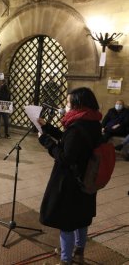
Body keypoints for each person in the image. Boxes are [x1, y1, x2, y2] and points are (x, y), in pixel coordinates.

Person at [37, 87, 102, 265]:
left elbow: (65, 157)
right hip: (87, 178)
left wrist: (46, 141)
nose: (65, 106)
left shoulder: (77, 127)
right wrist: (48, 128)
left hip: (71, 182)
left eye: (68, 102)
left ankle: (66, 260)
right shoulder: (92, 121)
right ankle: (79, 251)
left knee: (67, 221)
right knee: (82, 217)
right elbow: (69, 139)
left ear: (78, 104)